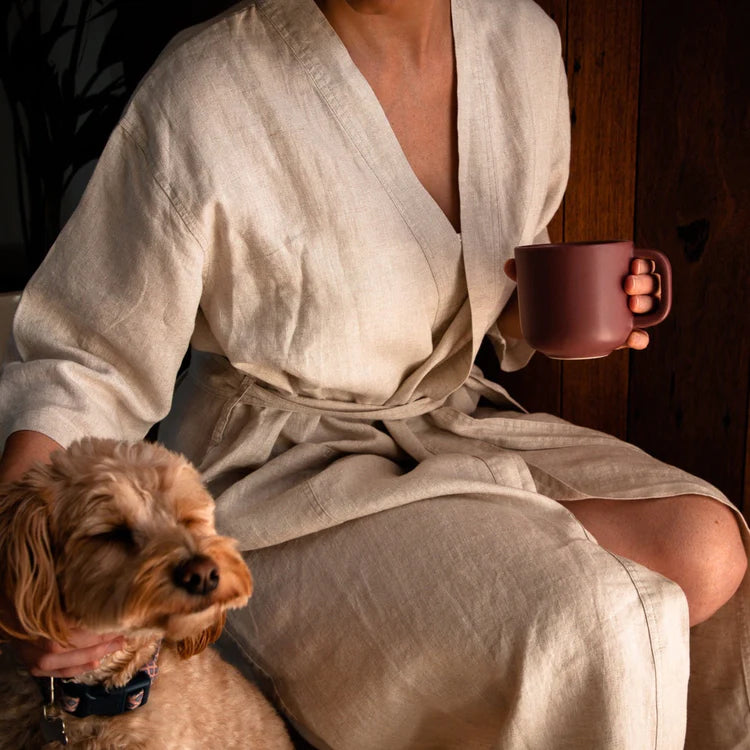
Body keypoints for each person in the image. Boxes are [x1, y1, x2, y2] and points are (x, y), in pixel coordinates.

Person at [0, 0, 747, 747]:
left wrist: (572, 314)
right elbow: (89, 359)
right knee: (590, 615)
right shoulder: (205, 89)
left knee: (710, 551)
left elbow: (489, 287)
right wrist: (17, 563)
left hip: (446, 424)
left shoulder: (522, 44)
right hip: (279, 474)